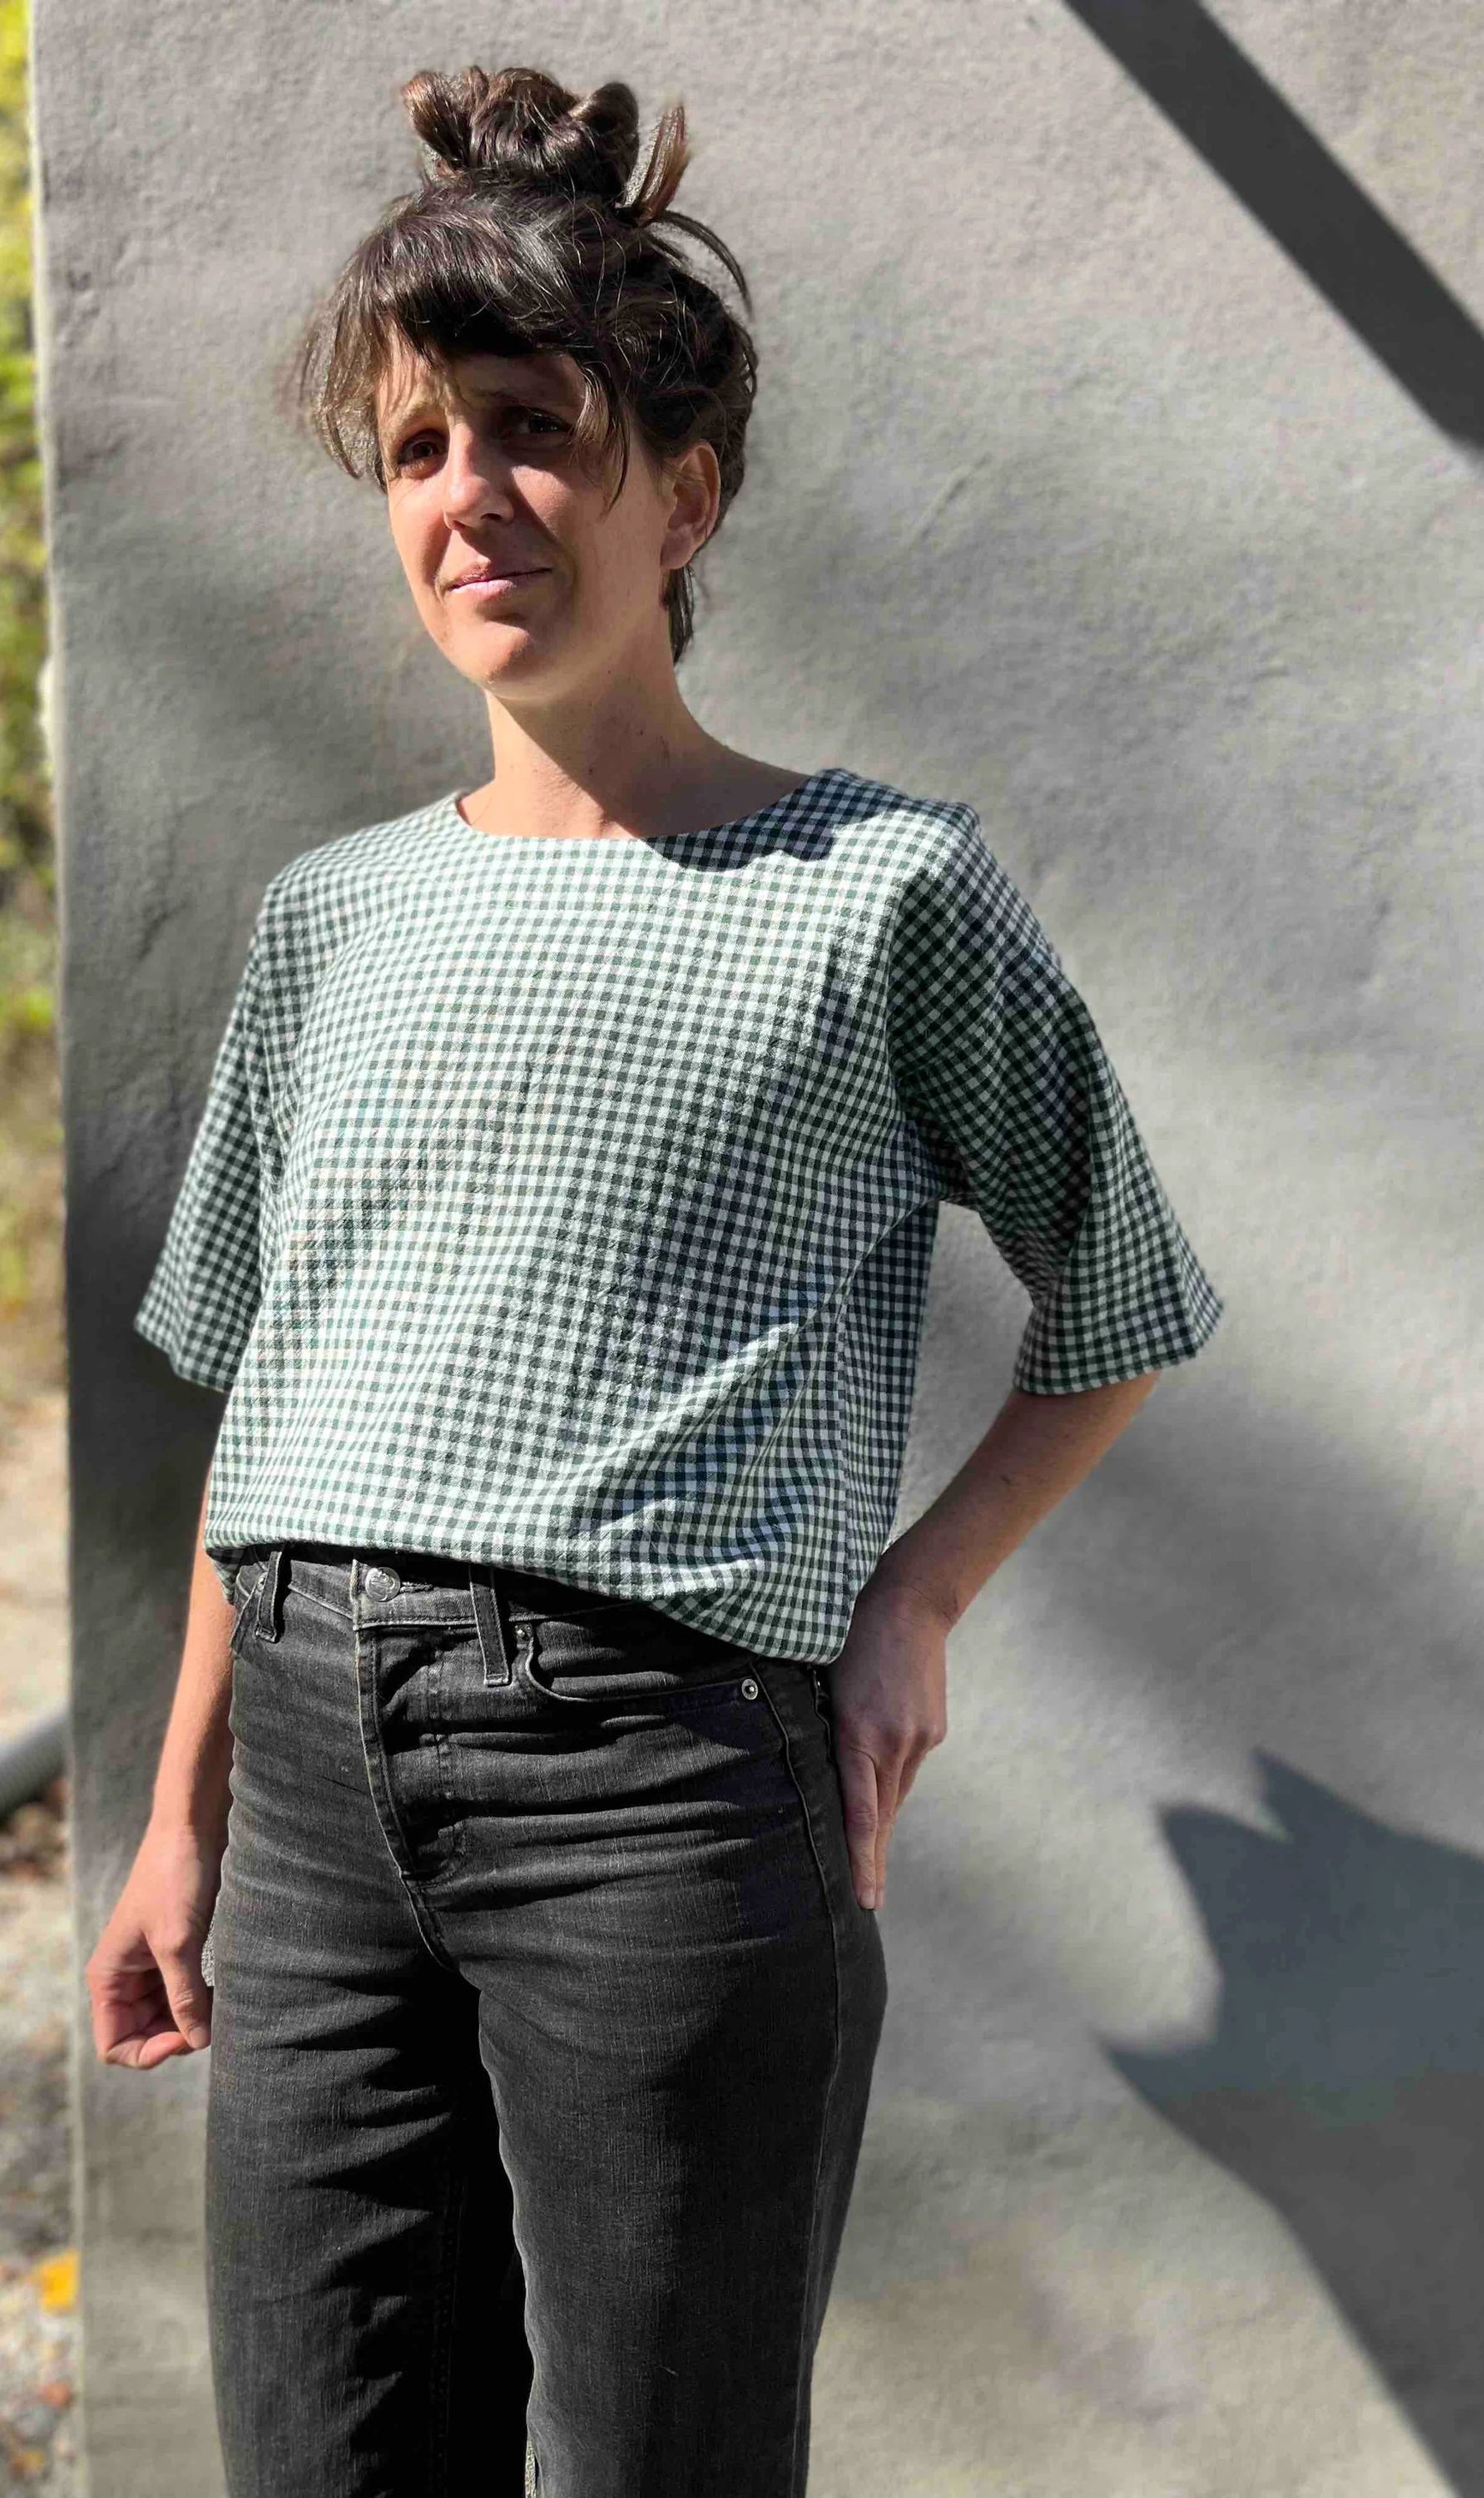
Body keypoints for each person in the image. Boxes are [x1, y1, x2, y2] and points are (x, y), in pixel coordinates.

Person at [86, 62, 1225, 2498]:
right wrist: (177, 1814)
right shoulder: (333, 919)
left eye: (534, 429)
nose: (468, 494)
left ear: (679, 497)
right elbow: (268, 1392)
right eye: (417, 447)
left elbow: (1121, 1300)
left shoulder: (880, 891)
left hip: (654, 1795)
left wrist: (914, 1602)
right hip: (310, 1788)